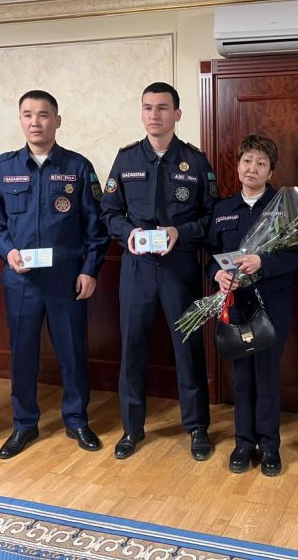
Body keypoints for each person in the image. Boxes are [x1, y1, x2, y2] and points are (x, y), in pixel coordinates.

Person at [0, 90, 109, 459]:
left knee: (72, 353)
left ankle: (77, 420)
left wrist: (89, 270)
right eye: (28, 114)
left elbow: (96, 228)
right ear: (20, 120)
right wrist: (8, 250)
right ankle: (24, 424)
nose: (35, 122)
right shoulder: (3, 168)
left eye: (43, 114)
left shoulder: (78, 167)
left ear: (57, 121)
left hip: (66, 278)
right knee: (22, 354)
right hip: (21, 279)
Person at [101, 82, 217, 461]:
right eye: (148, 107)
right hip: (137, 267)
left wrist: (180, 232)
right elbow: (109, 212)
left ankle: (197, 427)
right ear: (141, 113)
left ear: (177, 114)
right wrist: (128, 233)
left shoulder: (195, 162)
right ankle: (132, 428)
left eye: (163, 108)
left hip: (179, 266)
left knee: (189, 347)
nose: (154, 115)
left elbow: (211, 217)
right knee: (132, 347)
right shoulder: (126, 159)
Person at [206, 134, 298, 476]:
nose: (252, 168)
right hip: (235, 304)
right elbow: (211, 255)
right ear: (237, 166)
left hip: (272, 303)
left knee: (267, 375)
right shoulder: (222, 210)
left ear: (270, 171)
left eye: (261, 163)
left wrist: (264, 262)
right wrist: (217, 275)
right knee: (242, 376)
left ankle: (270, 445)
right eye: (247, 161)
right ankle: (243, 443)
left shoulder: (285, 209)